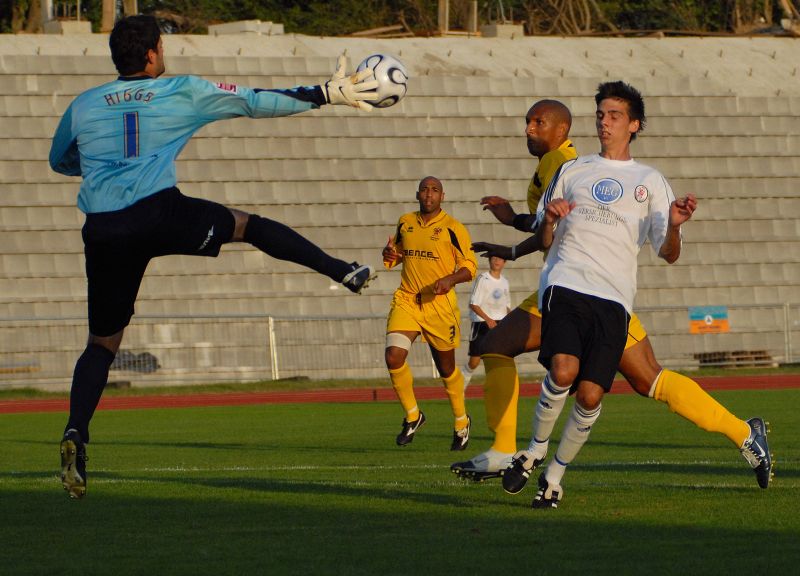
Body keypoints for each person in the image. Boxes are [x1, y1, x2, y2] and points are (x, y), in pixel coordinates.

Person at [50, 15, 381, 499]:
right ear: (151, 54)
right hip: (158, 212)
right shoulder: (181, 90)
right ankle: (342, 271)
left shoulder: (84, 104)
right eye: (161, 46)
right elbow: (253, 101)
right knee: (247, 225)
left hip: (104, 230)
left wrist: (105, 163)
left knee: (102, 344)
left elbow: (59, 160)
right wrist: (324, 94)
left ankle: (76, 431)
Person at [453, 88, 772, 506]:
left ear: (632, 124)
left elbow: (667, 251)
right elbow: (545, 229)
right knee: (525, 354)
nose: (529, 129)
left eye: (537, 122)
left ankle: (745, 433)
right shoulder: (571, 169)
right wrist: (518, 235)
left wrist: (675, 226)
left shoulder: (596, 169)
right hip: (566, 286)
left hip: (611, 298)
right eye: (600, 114)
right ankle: (514, 451)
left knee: (642, 380)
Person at [382, 176, 478, 451]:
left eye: (434, 190)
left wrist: (450, 279)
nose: (429, 194)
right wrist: (389, 253)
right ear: (417, 194)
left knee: (446, 369)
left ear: (442, 196)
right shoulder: (405, 222)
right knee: (393, 356)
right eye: (424, 189)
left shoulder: (453, 228)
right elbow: (398, 254)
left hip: (439, 306)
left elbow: (470, 267)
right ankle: (413, 415)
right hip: (407, 300)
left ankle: (461, 422)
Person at [462, 255, 511, 388]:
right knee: (474, 362)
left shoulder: (505, 282)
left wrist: (511, 319)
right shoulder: (483, 279)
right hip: (481, 323)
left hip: (499, 324)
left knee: (498, 359)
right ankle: (459, 388)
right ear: (489, 260)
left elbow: (506, 305)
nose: (496, 261)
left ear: (504, 262)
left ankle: (497, 388)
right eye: (494, 258)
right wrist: (488, 319)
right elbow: (473, 304)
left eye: (500, 259)